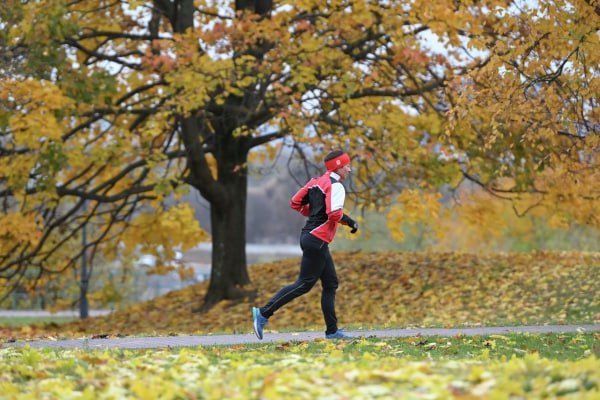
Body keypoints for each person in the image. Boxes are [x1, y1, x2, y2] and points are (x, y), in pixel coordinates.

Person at [252, 150, 359, 340]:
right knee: (304, 284)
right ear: (338, 167)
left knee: (331, 283)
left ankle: (332, 331)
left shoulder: (315, 182)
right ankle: (263, 313)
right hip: (316, 239)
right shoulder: (336, 186)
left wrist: (313, 214)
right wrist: (350, 221)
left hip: (312, 237)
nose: (349, 170)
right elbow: (334, 213)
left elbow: (295, 203)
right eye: (347, 166)